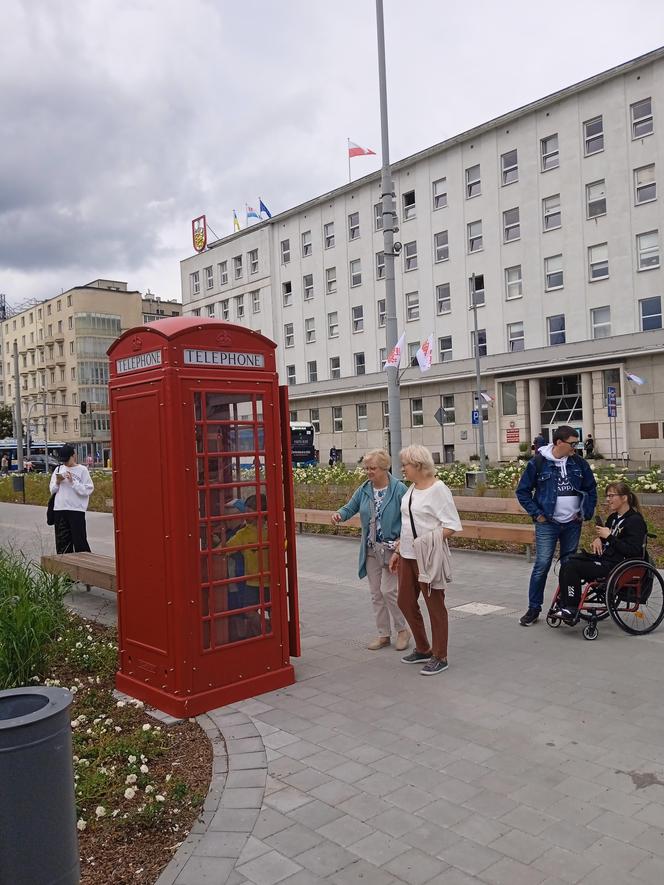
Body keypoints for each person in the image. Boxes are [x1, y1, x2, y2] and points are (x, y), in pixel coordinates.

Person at [388, 445, 462, 675]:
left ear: (419, 465)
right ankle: (423, 648)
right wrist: (399, 550)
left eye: (405, 465)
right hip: (408, 555)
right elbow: (408, 522)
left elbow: (452, 526)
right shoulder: (412, 488)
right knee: (405, 602)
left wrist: (426, 541)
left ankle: (441, 656)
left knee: (435, 606)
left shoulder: (438, 489)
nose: (402, 469)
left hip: (427, 557)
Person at [516, 425, 597, 626]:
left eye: (576, 443)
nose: (575, 448)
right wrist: (538, 515)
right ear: (559, 443)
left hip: (572, 523)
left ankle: (566, 605)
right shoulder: (539, 463)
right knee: (542, 565)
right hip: (548, 524)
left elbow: (591, 489)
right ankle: (534, 608)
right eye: (572, 443)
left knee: (569, 566)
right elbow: (523, 492)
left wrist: (584, 513)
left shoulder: (578, 463)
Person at [332, 449, 410, 651]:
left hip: (393, 549)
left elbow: (409, 518)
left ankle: (403, 630)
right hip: (371, 549)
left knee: (389, 591)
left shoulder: (399, 489)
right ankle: (383, 634)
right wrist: (339, 515)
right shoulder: (365, 489)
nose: (368, 471)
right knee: (376, 594)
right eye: (366, 468)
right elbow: (350, 508)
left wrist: (403, 543)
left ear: (384, 468)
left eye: (372, 468)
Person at [556, 481, 647, 623]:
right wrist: (599, 539)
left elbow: (633, 551)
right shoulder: (613, 518)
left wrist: (609, 536)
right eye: (607, 496)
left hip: (617, 566)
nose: (608, 499)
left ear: (624, 498)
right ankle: (565, 603)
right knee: (569, 561)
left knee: (572, 567)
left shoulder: (635, 521)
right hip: (605, 560)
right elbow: (609, 540)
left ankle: (572, 608)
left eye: (612, 496)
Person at [49, 444, 94, 553]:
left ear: (73, 456)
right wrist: (58, 482)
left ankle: (84, 564)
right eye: (62, 460)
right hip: (60, 509)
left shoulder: (82, 470)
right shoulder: (58, 469)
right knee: (62, 543)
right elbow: (52, 490)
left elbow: (88, 490)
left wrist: (73, 482)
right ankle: (64, 567)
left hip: (76, 510)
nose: (65, 463)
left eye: (66, 460)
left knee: (80, 541)